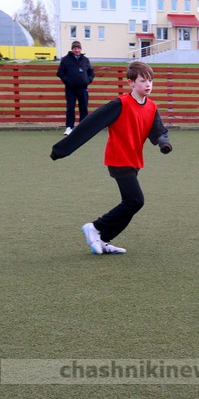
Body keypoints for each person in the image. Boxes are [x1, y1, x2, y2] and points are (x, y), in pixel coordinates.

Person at [50, 61, 172, 255]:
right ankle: (95, 227)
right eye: (143, 80)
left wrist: (163, 142)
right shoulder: (120, 104)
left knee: (130, 203)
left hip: (134, 160)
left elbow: (158, 130)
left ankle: (103, 240)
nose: (148, 84)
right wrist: (61, 149)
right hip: (118, 159)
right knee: (135, 201)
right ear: (131, 83)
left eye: (150, 80)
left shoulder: (151, 106)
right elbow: (91, 124)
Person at [56, 40, 95, 135]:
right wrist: (67, 81)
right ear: (72, 49)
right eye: (75, 48)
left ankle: (82, 128)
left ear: (80, 49)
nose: (77, 50)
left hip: (83, 88)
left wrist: (87, 80)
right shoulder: (65, 59)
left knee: (83, 108)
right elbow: (60, 72)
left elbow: (91, 72)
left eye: (78, 48)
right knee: (70, 108)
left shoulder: (85, 60)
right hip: (70, 88)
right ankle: (69, 127)